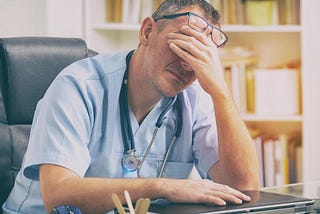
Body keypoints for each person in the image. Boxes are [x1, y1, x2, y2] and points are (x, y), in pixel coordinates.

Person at [2, 0, 259, 213]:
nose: (187, 65)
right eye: (183, 46)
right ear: (147, 31)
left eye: (201, 57)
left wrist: (220, 91)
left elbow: (243, 188)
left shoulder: (195, 97)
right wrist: (162, 187)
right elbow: (58, 194)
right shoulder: (78, 85)